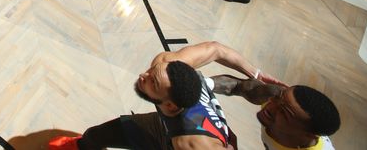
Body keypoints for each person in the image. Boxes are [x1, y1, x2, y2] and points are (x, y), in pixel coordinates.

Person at [48, 41, 277, 149]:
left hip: (183, 138)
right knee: (95, 136)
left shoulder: (194, 143)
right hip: (163, 126)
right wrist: (255, 73)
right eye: (151, 73)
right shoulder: (167, 65)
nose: (142, 76)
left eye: (152, 82)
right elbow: (217, 49)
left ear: (169, 106)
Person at [212, 76, 340, 149]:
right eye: (279, 97)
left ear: (308, 136)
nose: (270, 106)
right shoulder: (273, 96)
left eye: (284, 113)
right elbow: (237, 86)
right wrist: (199, 83)